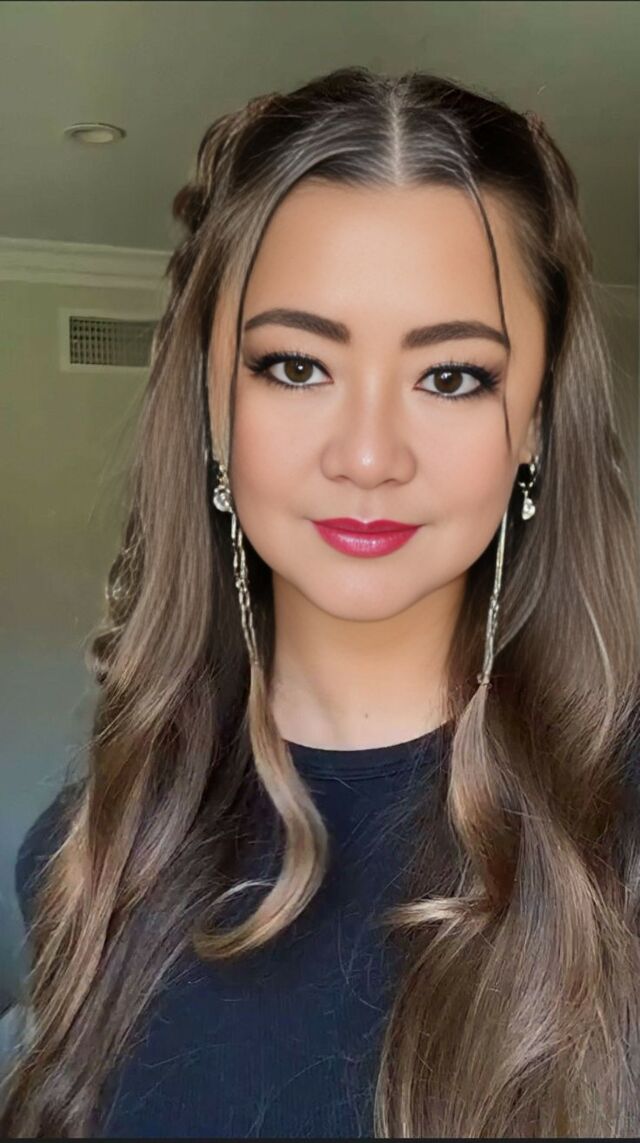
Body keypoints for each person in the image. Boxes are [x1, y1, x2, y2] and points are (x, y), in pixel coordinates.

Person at [3, 65, 640, 1139]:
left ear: (534, 422)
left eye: (452, 376)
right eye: (296, 366)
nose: (368, 455)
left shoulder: (618, 846)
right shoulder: (91, 857)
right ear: (212, 404)